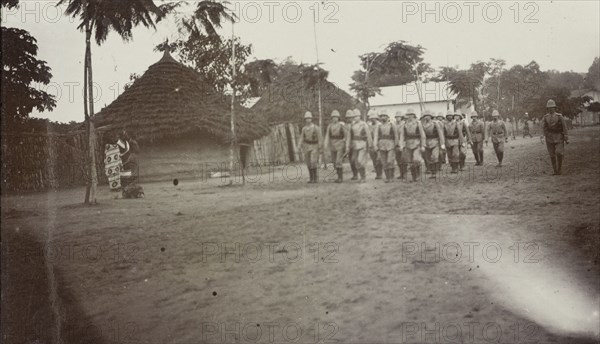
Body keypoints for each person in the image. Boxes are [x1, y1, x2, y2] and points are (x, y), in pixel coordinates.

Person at [346, 109, 374, 183]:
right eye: (354, 116)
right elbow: (349, 137)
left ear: (360, 116)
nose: (355, 118)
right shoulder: (352, 125)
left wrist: (371, 145)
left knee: (360, 160)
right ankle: (361, 176)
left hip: (362, 145)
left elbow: (368, 135)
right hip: (354, 145)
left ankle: (363, 177)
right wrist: (347, 146)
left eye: (357, 116)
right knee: (355, 162)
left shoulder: (364, 124)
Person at [543, 99, 569, 175]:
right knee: (552, 154)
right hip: (549, 138)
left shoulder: (559, 116)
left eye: (552, 107)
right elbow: (544, 127)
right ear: (547, 109)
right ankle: (555, 171)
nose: (550, 109)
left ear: (555, 108)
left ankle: (559, 169)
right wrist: (543, 135)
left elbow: (564, 126)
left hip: (559, 137)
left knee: (559, 153)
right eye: (549, 108)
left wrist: (566, 136)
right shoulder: (545, 117)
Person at [399, 109, 426, 182]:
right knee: (410, 161)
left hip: (416, 143)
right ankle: (414, 176)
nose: (409, 116)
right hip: (408, 144)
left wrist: (423, 145)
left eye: (411, 114)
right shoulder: (404, 124)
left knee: (416, 159)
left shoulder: (418, 123)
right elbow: (402, 135)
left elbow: (422, 135)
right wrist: (401, 144)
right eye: (408, 115)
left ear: (414, 115)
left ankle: (417, 174)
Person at [297, 111, 323, 183]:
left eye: (309, 118)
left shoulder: (316, 128)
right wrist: (299, 146)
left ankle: (315, 178)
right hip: (306, 146)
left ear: (311, 119)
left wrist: (320, 148)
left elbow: (320, 138)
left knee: (313, 161)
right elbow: (301, 138)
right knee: (308, 162)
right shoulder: (304, 129)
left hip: (314, 146)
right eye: (306, 118)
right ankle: (311, 178)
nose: (308, 120)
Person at [373, 110, 398, 182]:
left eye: (384, 116)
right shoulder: (378, 126)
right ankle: (387, 177)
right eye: (381, 116)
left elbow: (396, 135)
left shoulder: (392, 124)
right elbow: (376, 135)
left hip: (391, 144)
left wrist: (396, 144)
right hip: (382, 145)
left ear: (387, 117)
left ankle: (391, 176)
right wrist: (375, 145)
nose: (383, 117)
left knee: (390, 160)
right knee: (384, 162)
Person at [324, 110, 348, 183]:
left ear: (338, 118)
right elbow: (327, 136)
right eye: (333, 117)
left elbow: (346, 135)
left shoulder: (341, 126)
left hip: (340, 144)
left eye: (336, 117)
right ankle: (338, 177)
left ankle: (340, 178)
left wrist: (346, 145)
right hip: (332, 145)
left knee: (338, 161)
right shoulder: (329, 126)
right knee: (334, 162)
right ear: (331, 118)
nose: (335, 119)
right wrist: (325, 144)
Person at [421, 110, 445, 178]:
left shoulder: (435, 124)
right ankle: (432, 172)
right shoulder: (422, 124)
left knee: (434, 157)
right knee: (428, 158)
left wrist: (442, 143)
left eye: (428, 115)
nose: (426, 117)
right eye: (425, 116)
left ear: (431, 116)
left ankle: (434, 172)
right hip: (426, 142)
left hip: (435, 142)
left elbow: (440, 134)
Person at [367, 110, 383, 179]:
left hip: (379, 143)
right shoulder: (369, 126)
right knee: (374, 160)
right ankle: (377, 173)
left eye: (374, 118)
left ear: (376, 118)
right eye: (371, 118)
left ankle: (380, 173)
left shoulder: (379, 125)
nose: (372, 119)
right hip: (371, 144)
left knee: (379, 159)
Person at [345, 110, 359, 180]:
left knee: (354, 159)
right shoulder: (345, 125)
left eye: (350, 117)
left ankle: (356, 174)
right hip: (348, 144)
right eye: (347, 117)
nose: (349, 119)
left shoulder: (355, 125)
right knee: (351, 160)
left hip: (355, 144)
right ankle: (354, 174)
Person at [394, 111, 406, 179]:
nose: (397, 118)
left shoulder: (404, 124)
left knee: (403, 159)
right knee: (398, 159)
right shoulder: (393, 124)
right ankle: (401, 173)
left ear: (401, 118)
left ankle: (404, 173)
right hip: (396, 143)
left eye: (399, 117)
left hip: (404, 143)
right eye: (396, 117)